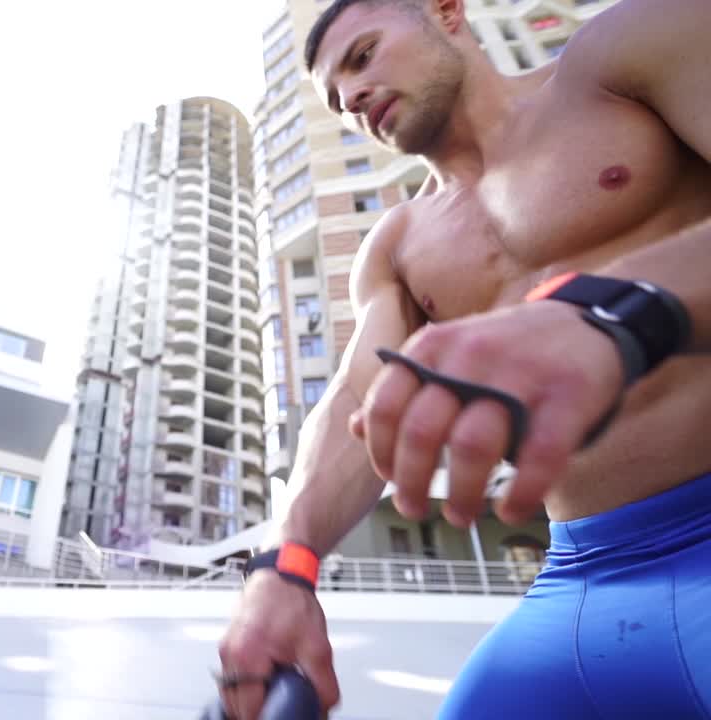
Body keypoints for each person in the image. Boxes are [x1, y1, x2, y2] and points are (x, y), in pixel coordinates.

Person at [215, 0, 711, 718]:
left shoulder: (625, 55)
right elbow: (357, 401)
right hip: (581, 577)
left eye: (363, 57)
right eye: (336, 99)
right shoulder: (397, 244)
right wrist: (284, 565)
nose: (351, 97)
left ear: (446, 11)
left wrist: (614, 309)